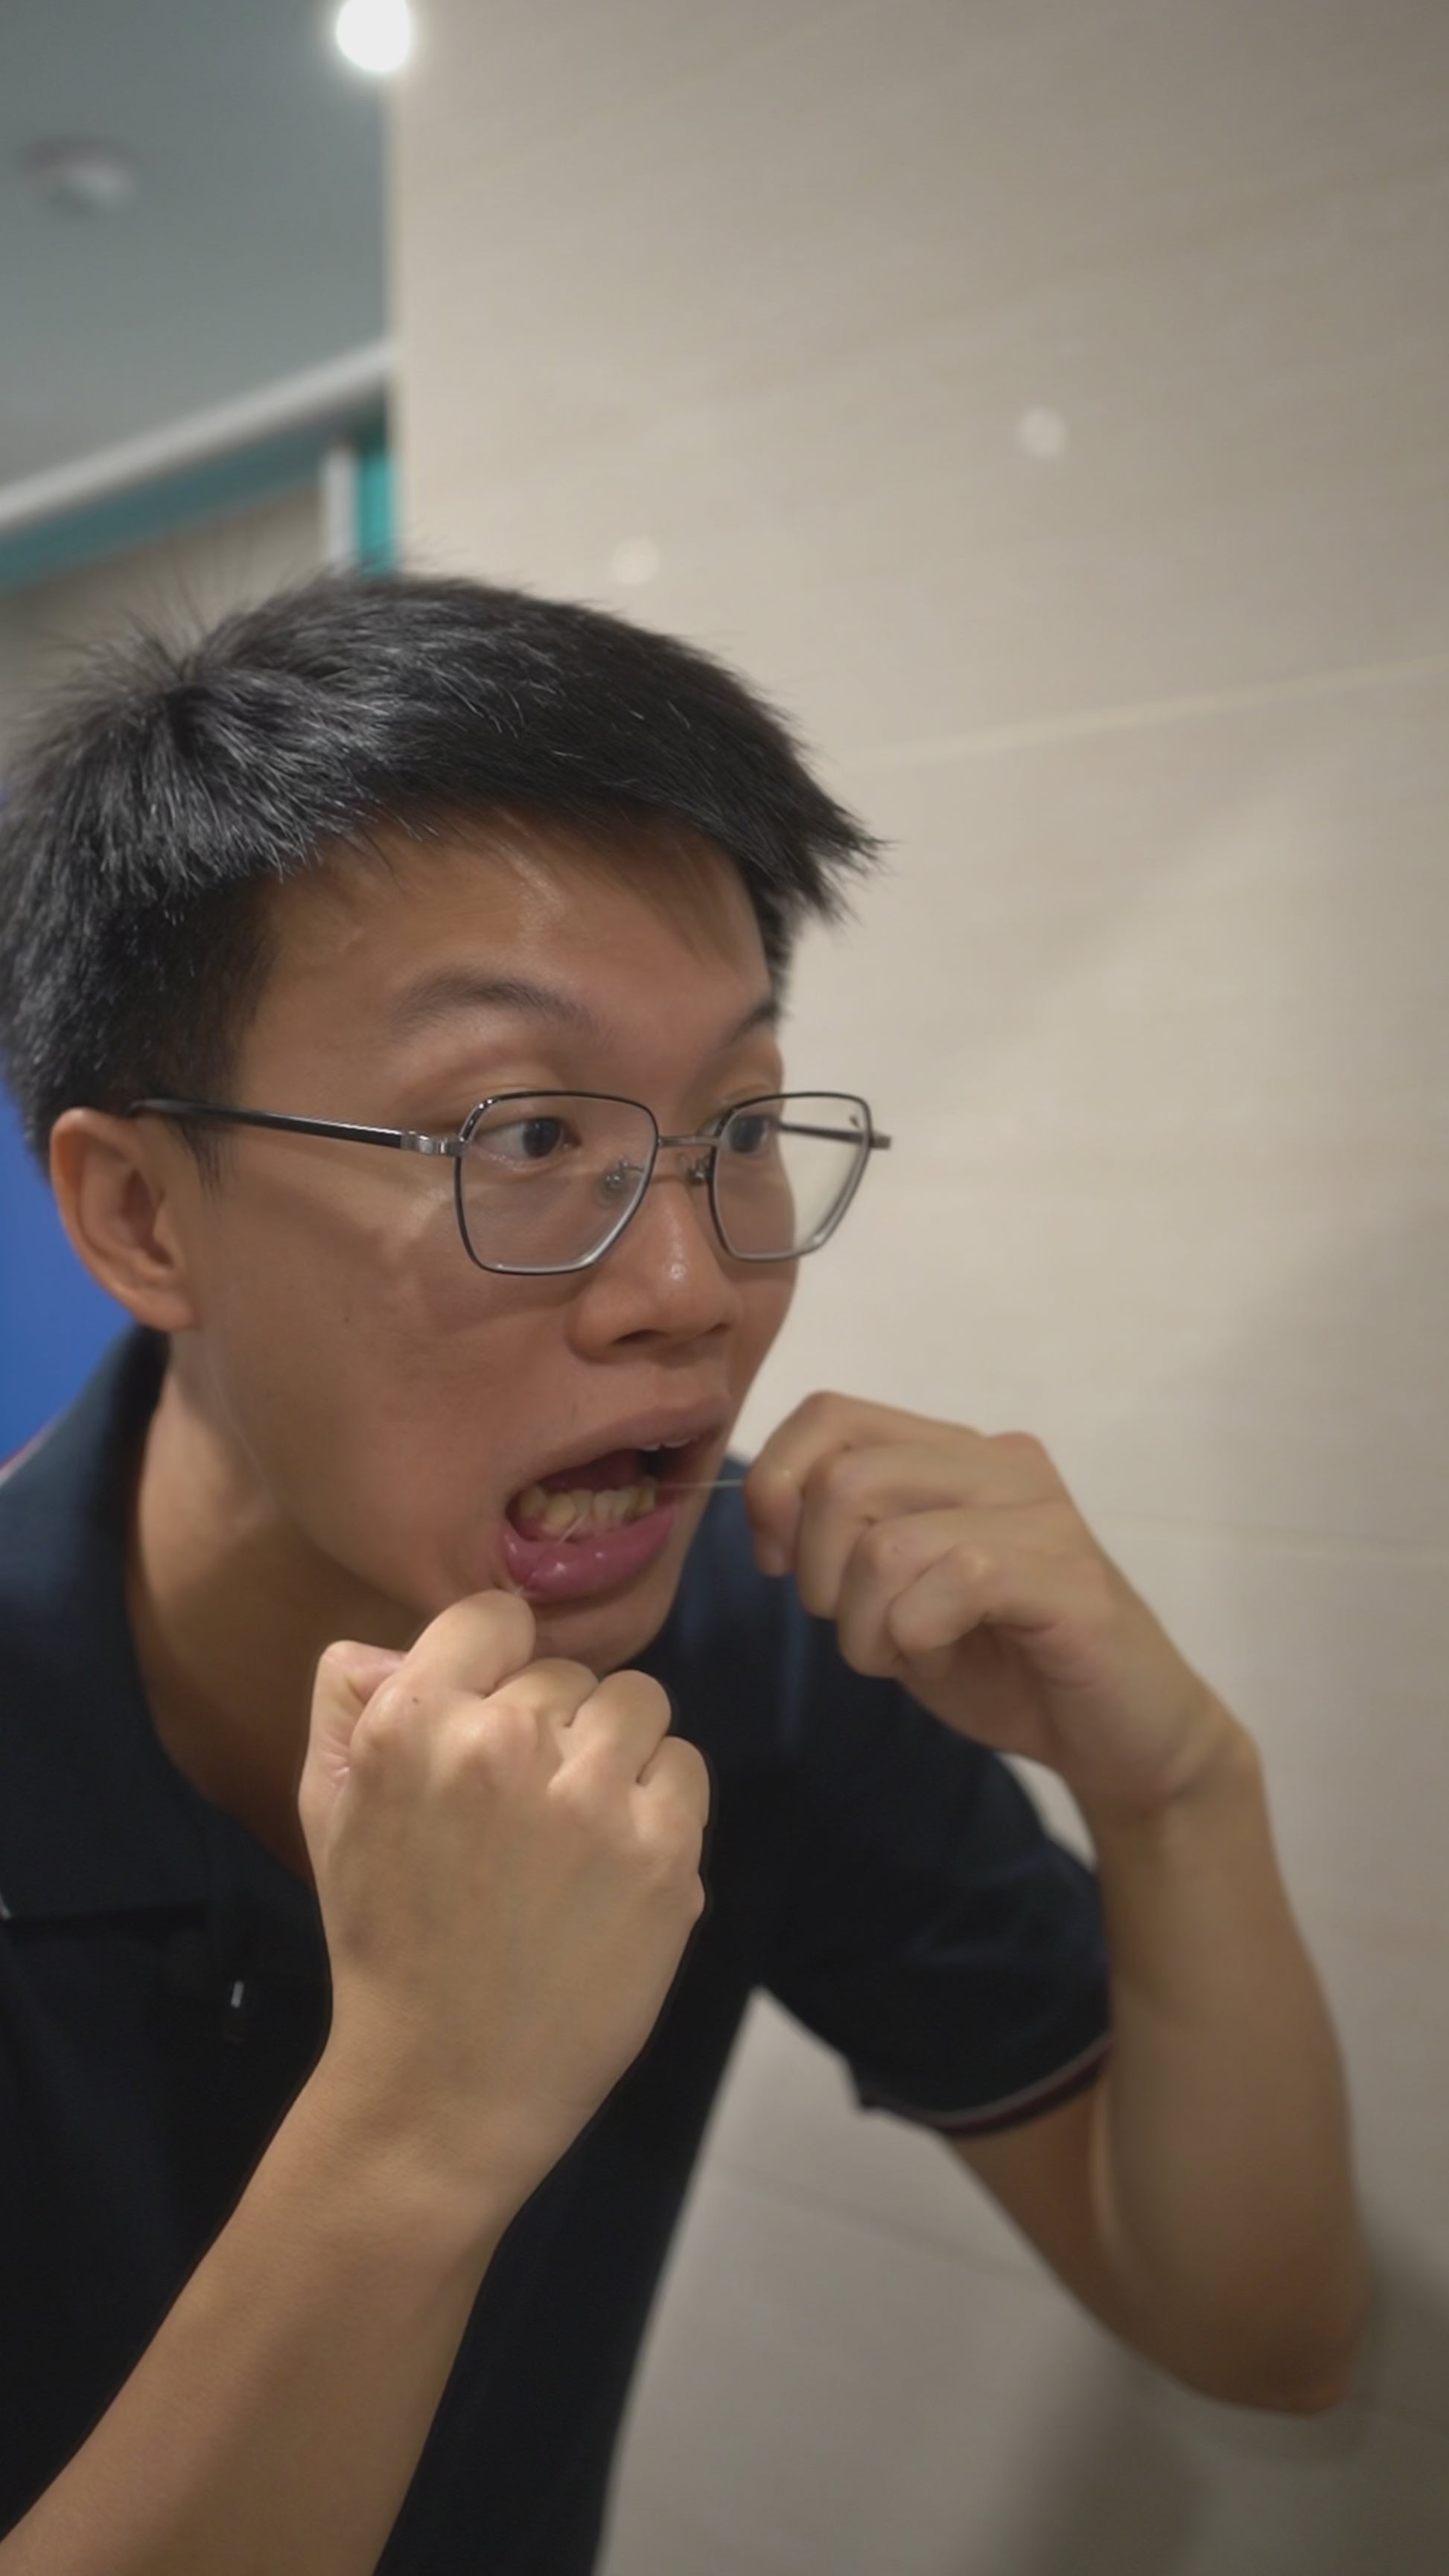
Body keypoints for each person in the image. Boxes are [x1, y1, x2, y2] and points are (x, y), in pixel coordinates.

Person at [0, 575, 1366, 2576]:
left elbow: (1267, 2333)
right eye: (522, 1132)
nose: (691, 1284)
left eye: (734, 1128)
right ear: (140, 1213)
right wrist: (419, 2128)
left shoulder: (752, 1643)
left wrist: (1177, 1791)